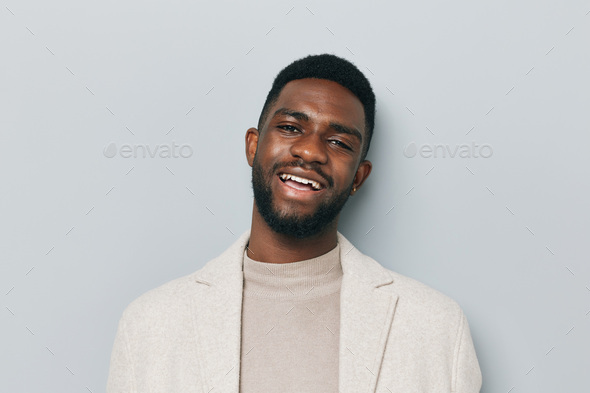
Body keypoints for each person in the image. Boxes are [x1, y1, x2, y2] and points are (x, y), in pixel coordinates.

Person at [106, 54, 482, 393]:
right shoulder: (150, 325)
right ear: (254, 147)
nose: (310, 151)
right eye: (289, 128)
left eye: (338, 142)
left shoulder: (436, 328)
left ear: (358, 178)